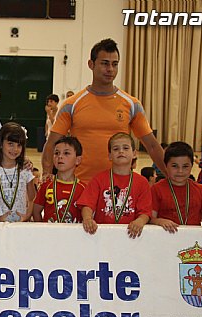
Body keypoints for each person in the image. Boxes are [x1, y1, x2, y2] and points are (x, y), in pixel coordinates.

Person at [42, 38, 166, 184]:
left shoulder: (132, 104)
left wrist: (171, 177)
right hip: (80, 186)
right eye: (104, 63)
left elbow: (152, 145)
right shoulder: (71, 104)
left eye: (115, 64)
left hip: (118, 188)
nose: (110, 69)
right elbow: (51, 144)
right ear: (91, 64)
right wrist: (46, 176)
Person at [78, 132, 152, 238]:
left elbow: (146, 212)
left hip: (130, 235)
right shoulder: (98, 179)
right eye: (116, 149)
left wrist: (140, 221)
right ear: (109, 155)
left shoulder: (142, 182)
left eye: (126, 148)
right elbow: (87, 205)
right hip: (101, 235)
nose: (121, 151)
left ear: (134, 153)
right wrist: (88, 219)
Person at [150, 141, 202, 235]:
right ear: (166, 166)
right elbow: (150, 218)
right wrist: (159, 221)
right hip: (166, 238)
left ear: (192, 166)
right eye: (174, 166)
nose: (180, 171)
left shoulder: (201, 190)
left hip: (192, 241)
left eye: (185, 166)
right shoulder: (156, 189)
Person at [0, 122, 36, 222]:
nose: (15, 149)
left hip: (20, 226)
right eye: (10, 144)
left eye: (19, 145)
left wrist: (26, 216)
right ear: (0, 143)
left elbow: (32, 198)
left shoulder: (25, 170)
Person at [33, 136, 86, 223]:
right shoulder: (46, 185)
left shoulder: (83, 188)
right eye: (56, 153)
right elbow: (36, 212)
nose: (60, 156)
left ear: (78, 160)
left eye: (66, 153)